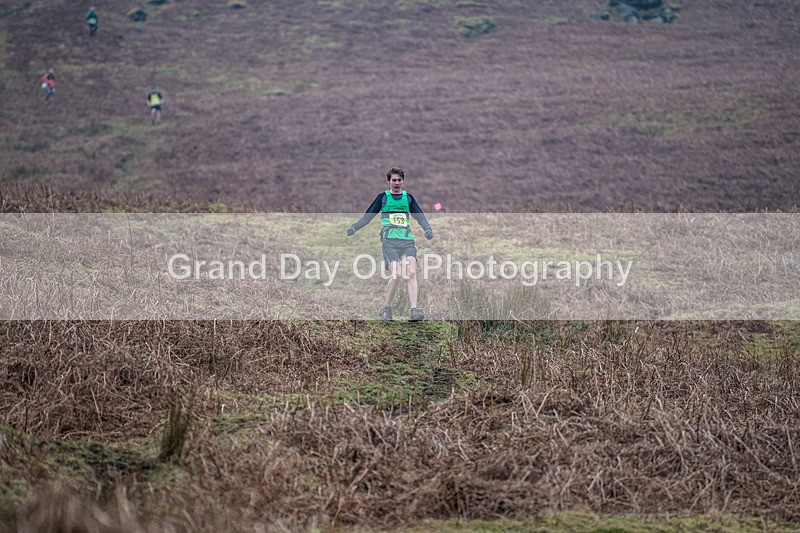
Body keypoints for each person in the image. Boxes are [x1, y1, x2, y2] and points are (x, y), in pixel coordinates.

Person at [347, 167, 433, 322]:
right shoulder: (383, 198)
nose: (397, 183)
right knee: (397, 275)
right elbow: (368, 216)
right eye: (394, 180)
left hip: (407, 241)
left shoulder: (408, 198)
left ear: (403, 181)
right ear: (389, 181)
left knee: (412, 273)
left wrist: (427, 229)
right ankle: (386, 309)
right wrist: (354, 227)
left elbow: (420, 216)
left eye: (399, 180)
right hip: (390, 243)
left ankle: (414, 311)